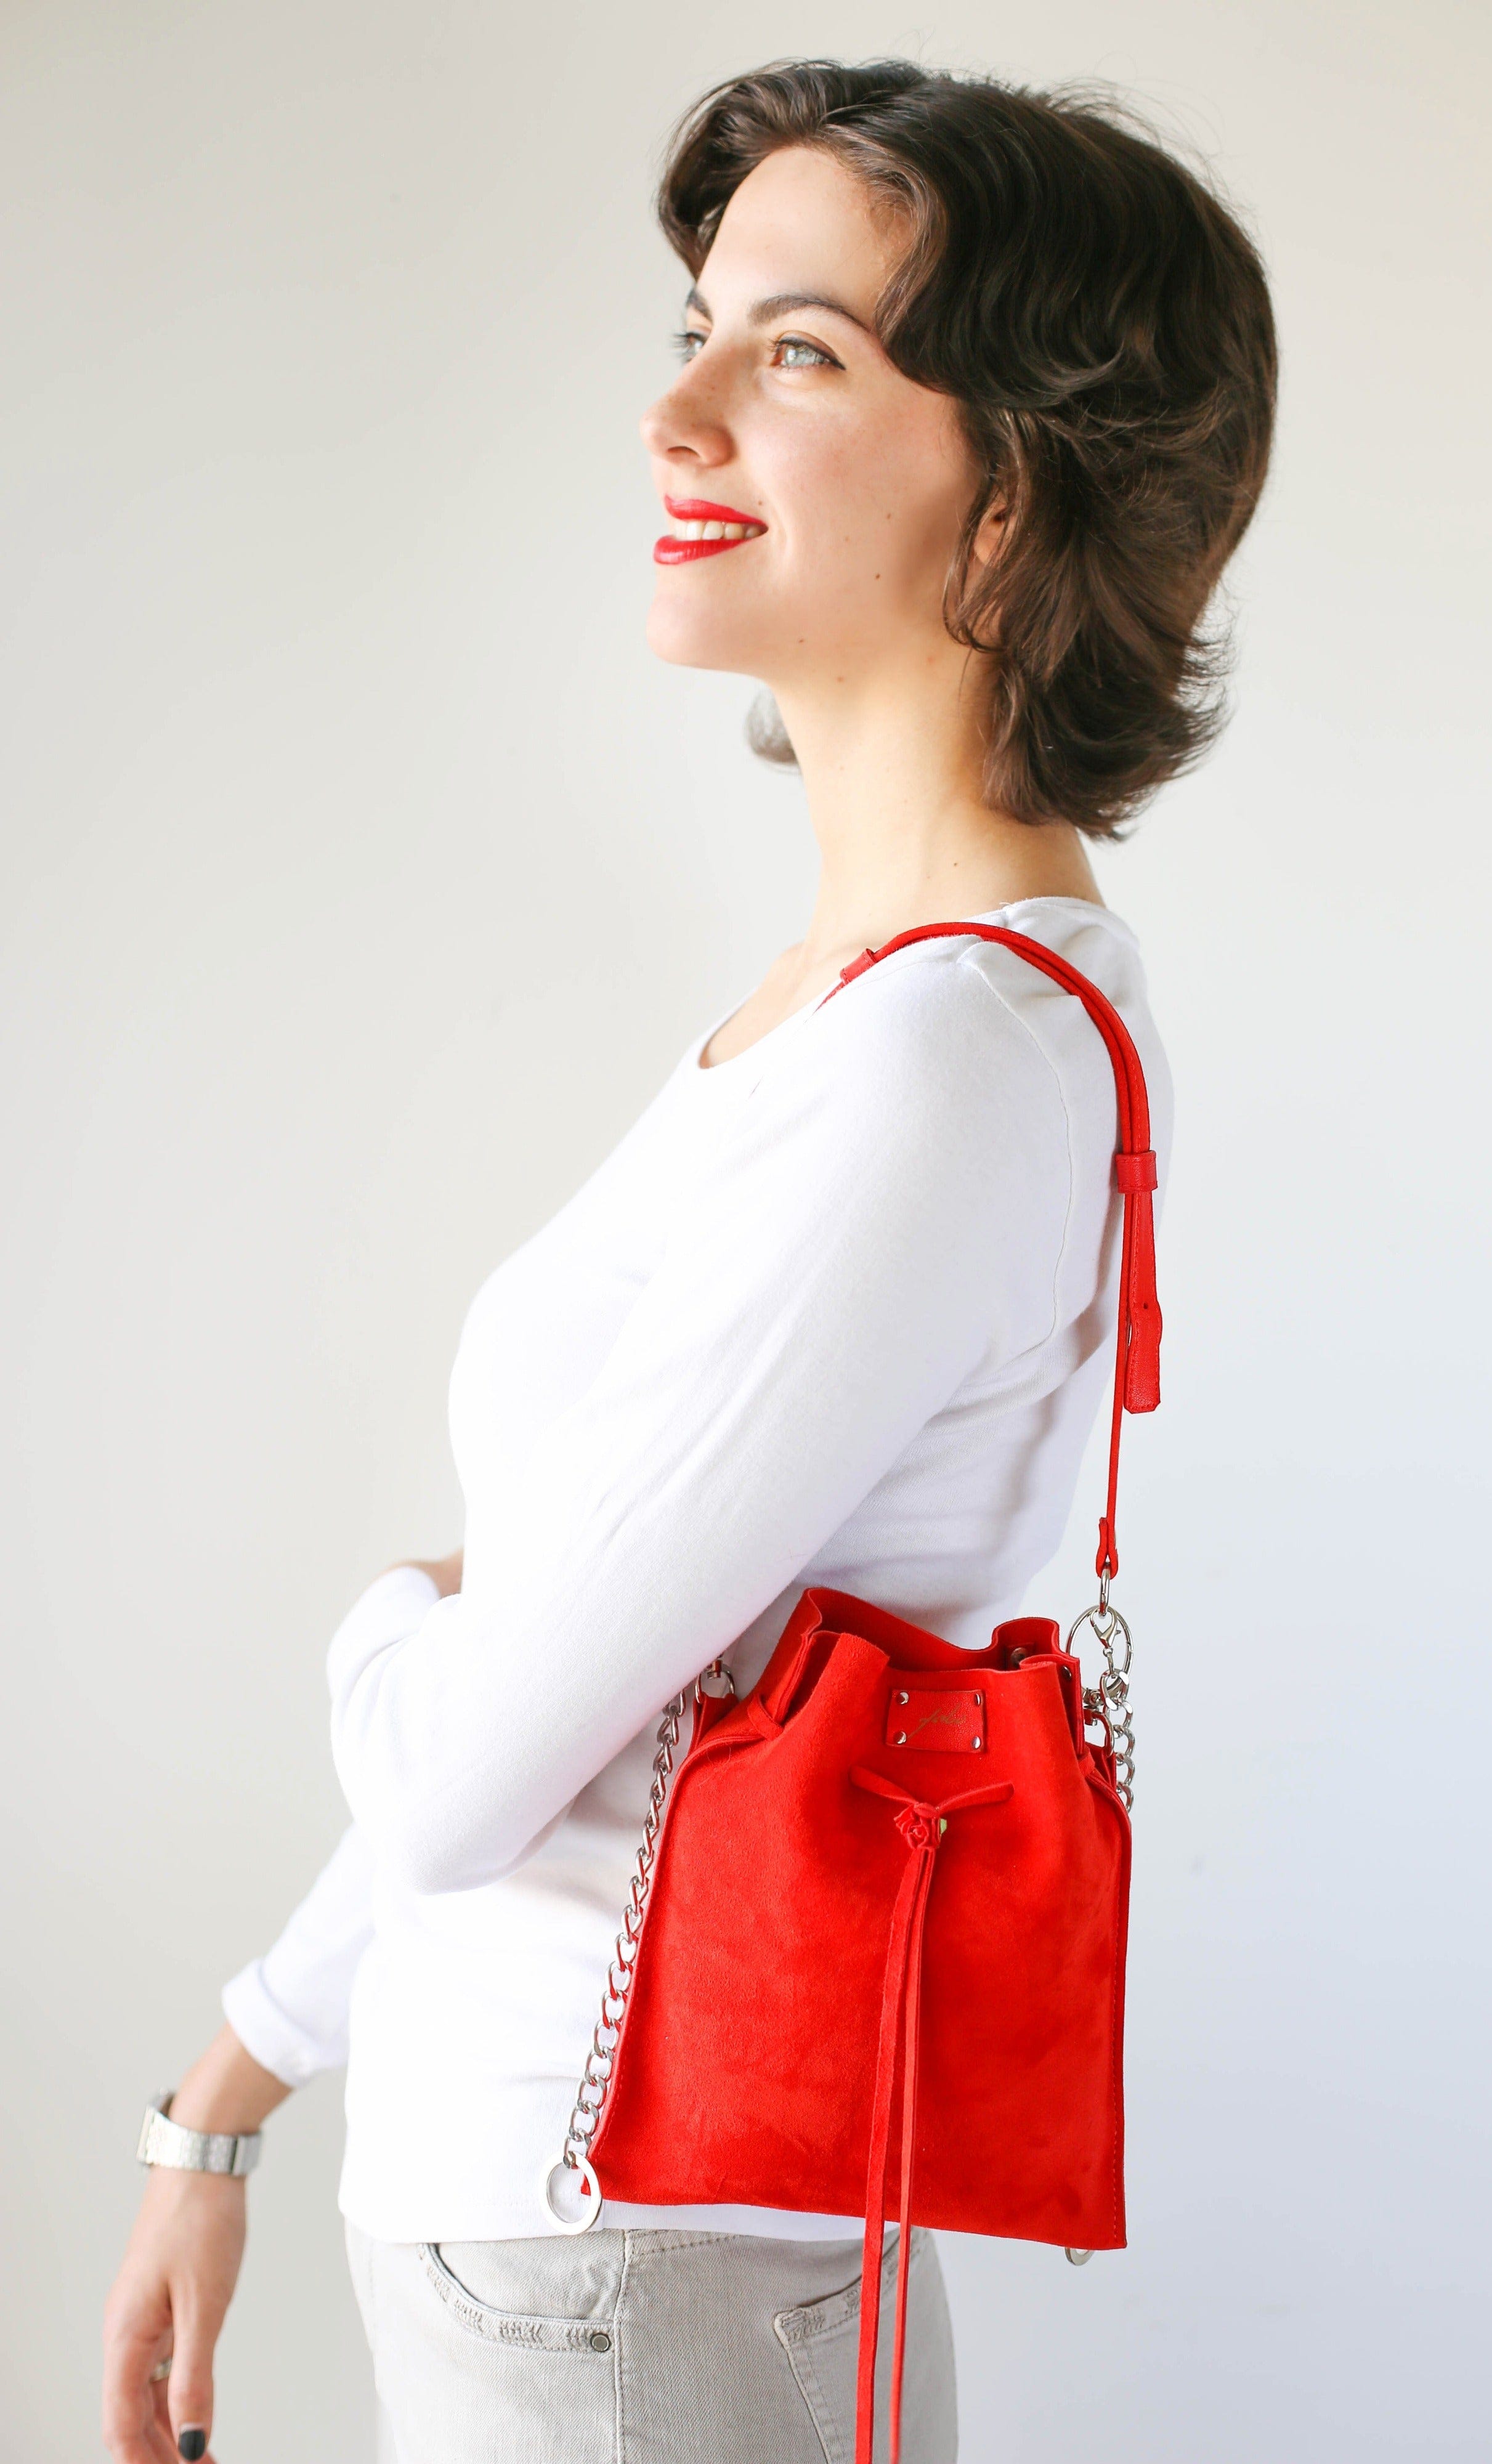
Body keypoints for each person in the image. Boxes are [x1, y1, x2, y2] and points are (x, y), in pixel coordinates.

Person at [102, 58, 1276, 2464]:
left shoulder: (944, 1063)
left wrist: (391, 1613)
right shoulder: (831, 1017)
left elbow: (467, 1768)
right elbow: (543, 1715)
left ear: (1013, 491)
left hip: (631, 2260)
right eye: (702, 323)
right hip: (563, 2232)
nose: (680, 405)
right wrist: (228, 2085)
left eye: (804, 352)